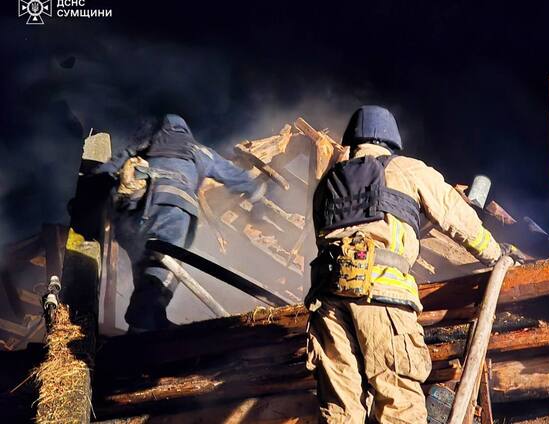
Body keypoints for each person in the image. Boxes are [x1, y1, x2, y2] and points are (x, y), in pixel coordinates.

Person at [305, 105, 523, 423]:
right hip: (382, 295)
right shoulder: (407, 169)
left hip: (327, 300)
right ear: (391, 139)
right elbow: (458, 218)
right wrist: (495, 255)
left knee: (340, 409)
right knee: (399, 403)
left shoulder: (328, 182)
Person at [95, 114, 266, 332]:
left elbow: (107, 170)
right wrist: (256, 196)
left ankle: (151, 319)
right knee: (164, 265)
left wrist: (86, 196)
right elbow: (232, 174)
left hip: (131, 216)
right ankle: (143, 324)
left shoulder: (144, 145)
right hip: (171, 210)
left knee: (145, 265)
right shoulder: (197, 151)